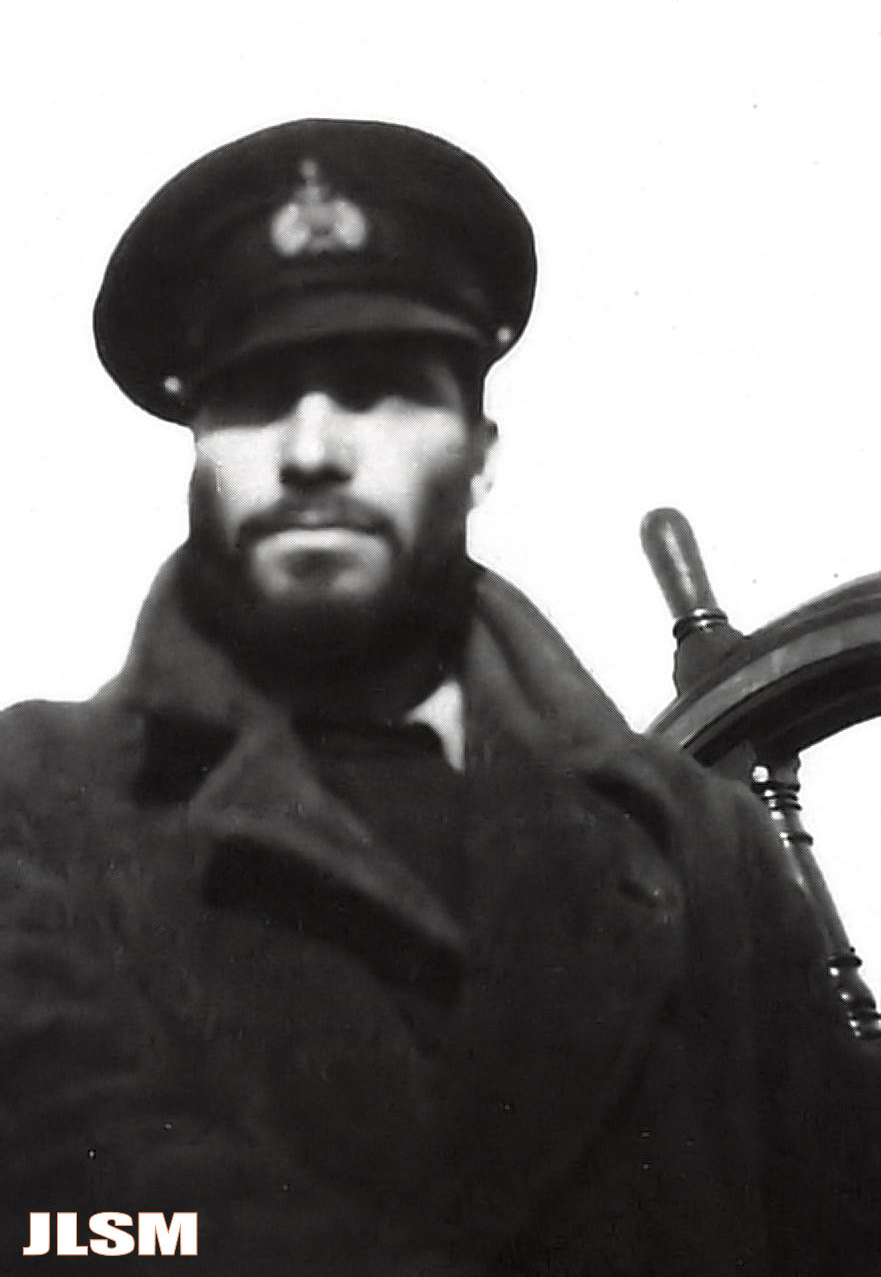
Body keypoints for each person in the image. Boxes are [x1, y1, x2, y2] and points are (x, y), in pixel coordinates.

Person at [0, 118, 878, 1276]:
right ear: (199, 451)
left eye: (378, 391)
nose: (313, 449)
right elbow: (69, 1217)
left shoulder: (699, 845)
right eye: (255, 397)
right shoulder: (34, 810)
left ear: (480, 452)